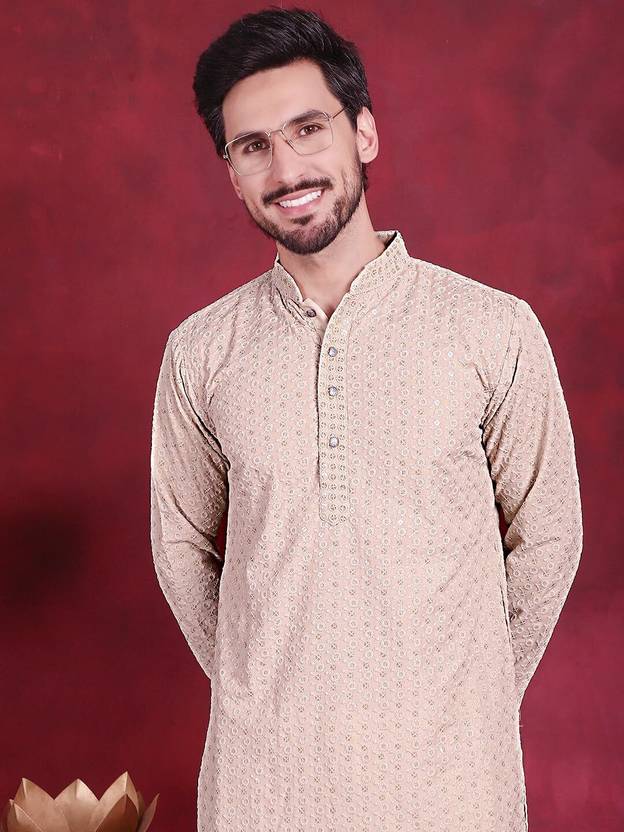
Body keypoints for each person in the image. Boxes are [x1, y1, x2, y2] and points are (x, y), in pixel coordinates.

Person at [149, 8, 583, 831]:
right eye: (253, 146)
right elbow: (180, 547)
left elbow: (551, 534)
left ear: (365, 134)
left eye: (309, 129)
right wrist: (263, 686)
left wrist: (468, 695)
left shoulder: (491, 329)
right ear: (232, 173)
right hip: (261, 794)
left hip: (452, 792)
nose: (287, 168)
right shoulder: (201, 352)